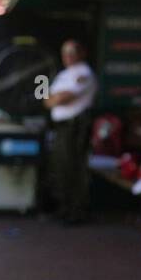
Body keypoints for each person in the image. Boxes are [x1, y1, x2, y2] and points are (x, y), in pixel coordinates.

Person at [43, 39, 96, 225]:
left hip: (76, 127)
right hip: (61, 127)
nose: (68, 57)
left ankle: (77, 212)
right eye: (65, 53)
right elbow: (47, 99)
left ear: (81, 54)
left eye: (72, 53)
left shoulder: (84, 72)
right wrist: (54, 98)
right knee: (60, 168)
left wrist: (55, 98)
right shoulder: (65, 74)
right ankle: (63, 209)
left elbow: (62, 98)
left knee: (74, 168)